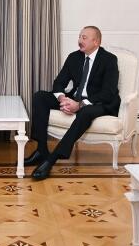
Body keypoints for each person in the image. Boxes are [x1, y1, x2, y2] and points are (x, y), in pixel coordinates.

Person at [25, 26, 120, 181]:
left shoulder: (109, 60)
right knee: (40, 96)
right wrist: (63, 99)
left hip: (99, 102)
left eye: (84, 38)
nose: (79, 40)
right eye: (79, 37)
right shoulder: (74, 57)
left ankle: (52, 159)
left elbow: (108, 92)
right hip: (74, 98)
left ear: (96, 42)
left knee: (86, 112)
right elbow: (59, 82)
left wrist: (79, 105)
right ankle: (41, 150)